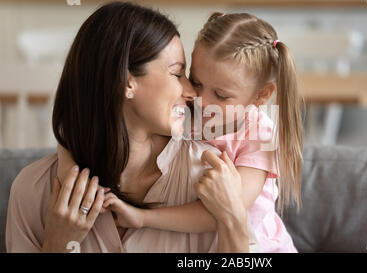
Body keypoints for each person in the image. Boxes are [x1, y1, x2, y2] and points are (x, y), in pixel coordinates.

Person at [5, 2, 249, 253]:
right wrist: (57, 244)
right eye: (177, 74)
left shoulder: (209, 179)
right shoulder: (33, 191)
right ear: (126, 81)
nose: (191, 93)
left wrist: (233, 218)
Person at [90, 12, 304, 253]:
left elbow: (222, 211)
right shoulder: (188, 111)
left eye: (221, 95)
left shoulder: (261, 135)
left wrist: (144, 218)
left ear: (261, 95)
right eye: (196, 81)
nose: (200, 100)